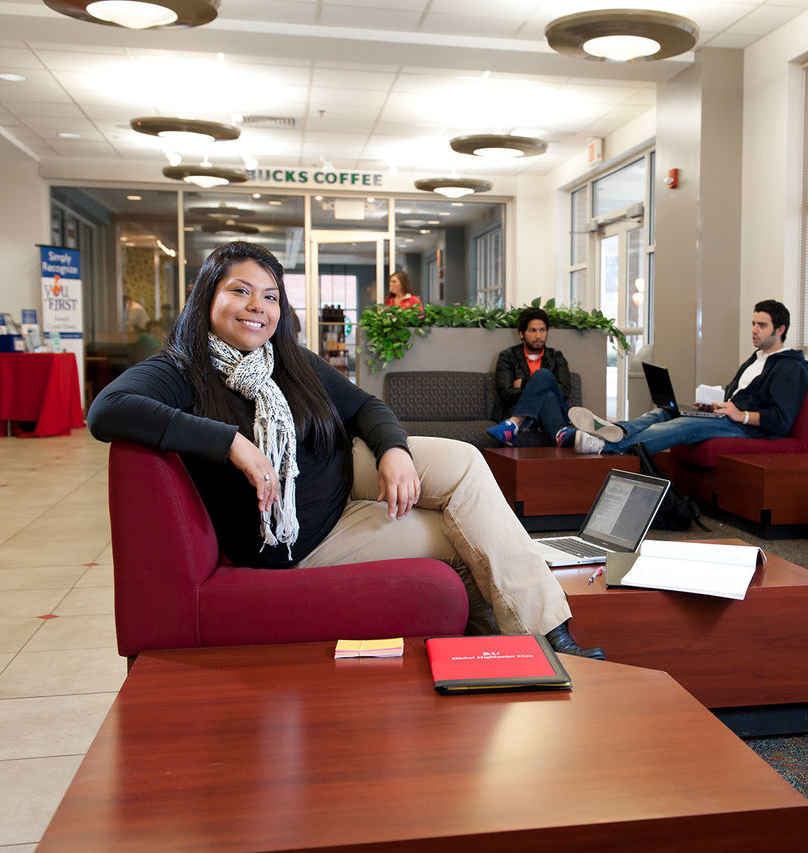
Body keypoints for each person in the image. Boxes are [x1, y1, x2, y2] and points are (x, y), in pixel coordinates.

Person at [87, 241, 603, 659]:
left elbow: (364, 407)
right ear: (207, 298)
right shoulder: (180, 368)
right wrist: (231, 443)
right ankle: (522, 653)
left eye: (270, 296)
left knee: (466, 461)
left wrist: (392, 450)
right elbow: (108, 410)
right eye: (239, 291)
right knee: (457, 543)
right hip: (305, 537)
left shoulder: (285, 358)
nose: (256, 307)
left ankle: (546, 636)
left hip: (341, 482)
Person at [571, 299, 808, 455]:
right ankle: (617, 430)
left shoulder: (790, 368)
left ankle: (608, 445)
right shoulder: (757, 358)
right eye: (753, 323)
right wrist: (716, 404)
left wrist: (741, 415)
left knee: (682, 424)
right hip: (728, 417)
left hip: (748, 430)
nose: (754, 330)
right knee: (664, 412)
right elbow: (738, 395)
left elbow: (781, 419)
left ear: (780, 330)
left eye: (761, 325)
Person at [487, 306, 576, 447]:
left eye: (542, 330)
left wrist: (523, 383)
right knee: (548, 394)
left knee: (544, 378)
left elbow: (564, 391)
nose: (538, 336)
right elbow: (506, 393)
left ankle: (513, 424)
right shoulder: (507, 356)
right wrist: (540, 391)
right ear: (521, 334)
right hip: (516, 408)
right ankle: (560, 434)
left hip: (549, 410)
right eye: (533, 330)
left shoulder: (556, 357)